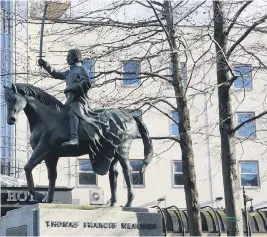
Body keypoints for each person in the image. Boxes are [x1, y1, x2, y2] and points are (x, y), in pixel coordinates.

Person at [38, 48, 91, 147]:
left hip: (79, 101)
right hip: (70, 101)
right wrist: (45, 65)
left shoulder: (81, 69)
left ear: (75, 57)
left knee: (72, 113)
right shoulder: (69, 72)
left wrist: (72, 88)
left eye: (68, 56)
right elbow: (56, 74)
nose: (67, 58)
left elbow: (87, 83)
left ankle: (74, 138)